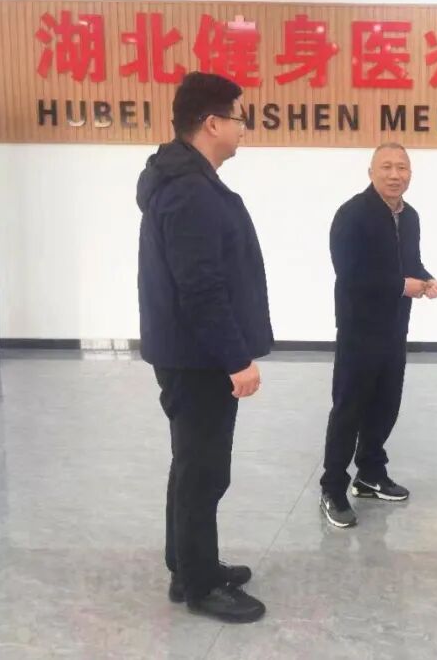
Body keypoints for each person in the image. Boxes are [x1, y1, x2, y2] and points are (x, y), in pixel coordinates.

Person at [137, 72, 273, 622]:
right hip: (199, 359)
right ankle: (200, 585)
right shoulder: (190, 191)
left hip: (190, 354)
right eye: (240, 118)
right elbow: (200, 287)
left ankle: (188, 566)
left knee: (192, 465)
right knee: (204, 471)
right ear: (213, 123)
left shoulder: (186, 180)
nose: (244, 128)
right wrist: (235, 359)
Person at [319, 142, 437, 528]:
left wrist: (425, 279)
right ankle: (333, 487)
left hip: (395, 327)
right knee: (349, 409)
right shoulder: (352, 214)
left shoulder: (411, 217)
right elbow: (350, 274)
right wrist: (401, 285)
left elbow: (410, 262)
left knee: (386, 405)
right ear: (371, 172)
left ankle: (370, 474)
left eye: (402, 168)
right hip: (359, 329)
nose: (395, 175)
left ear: (410, 174)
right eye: (386, 167)